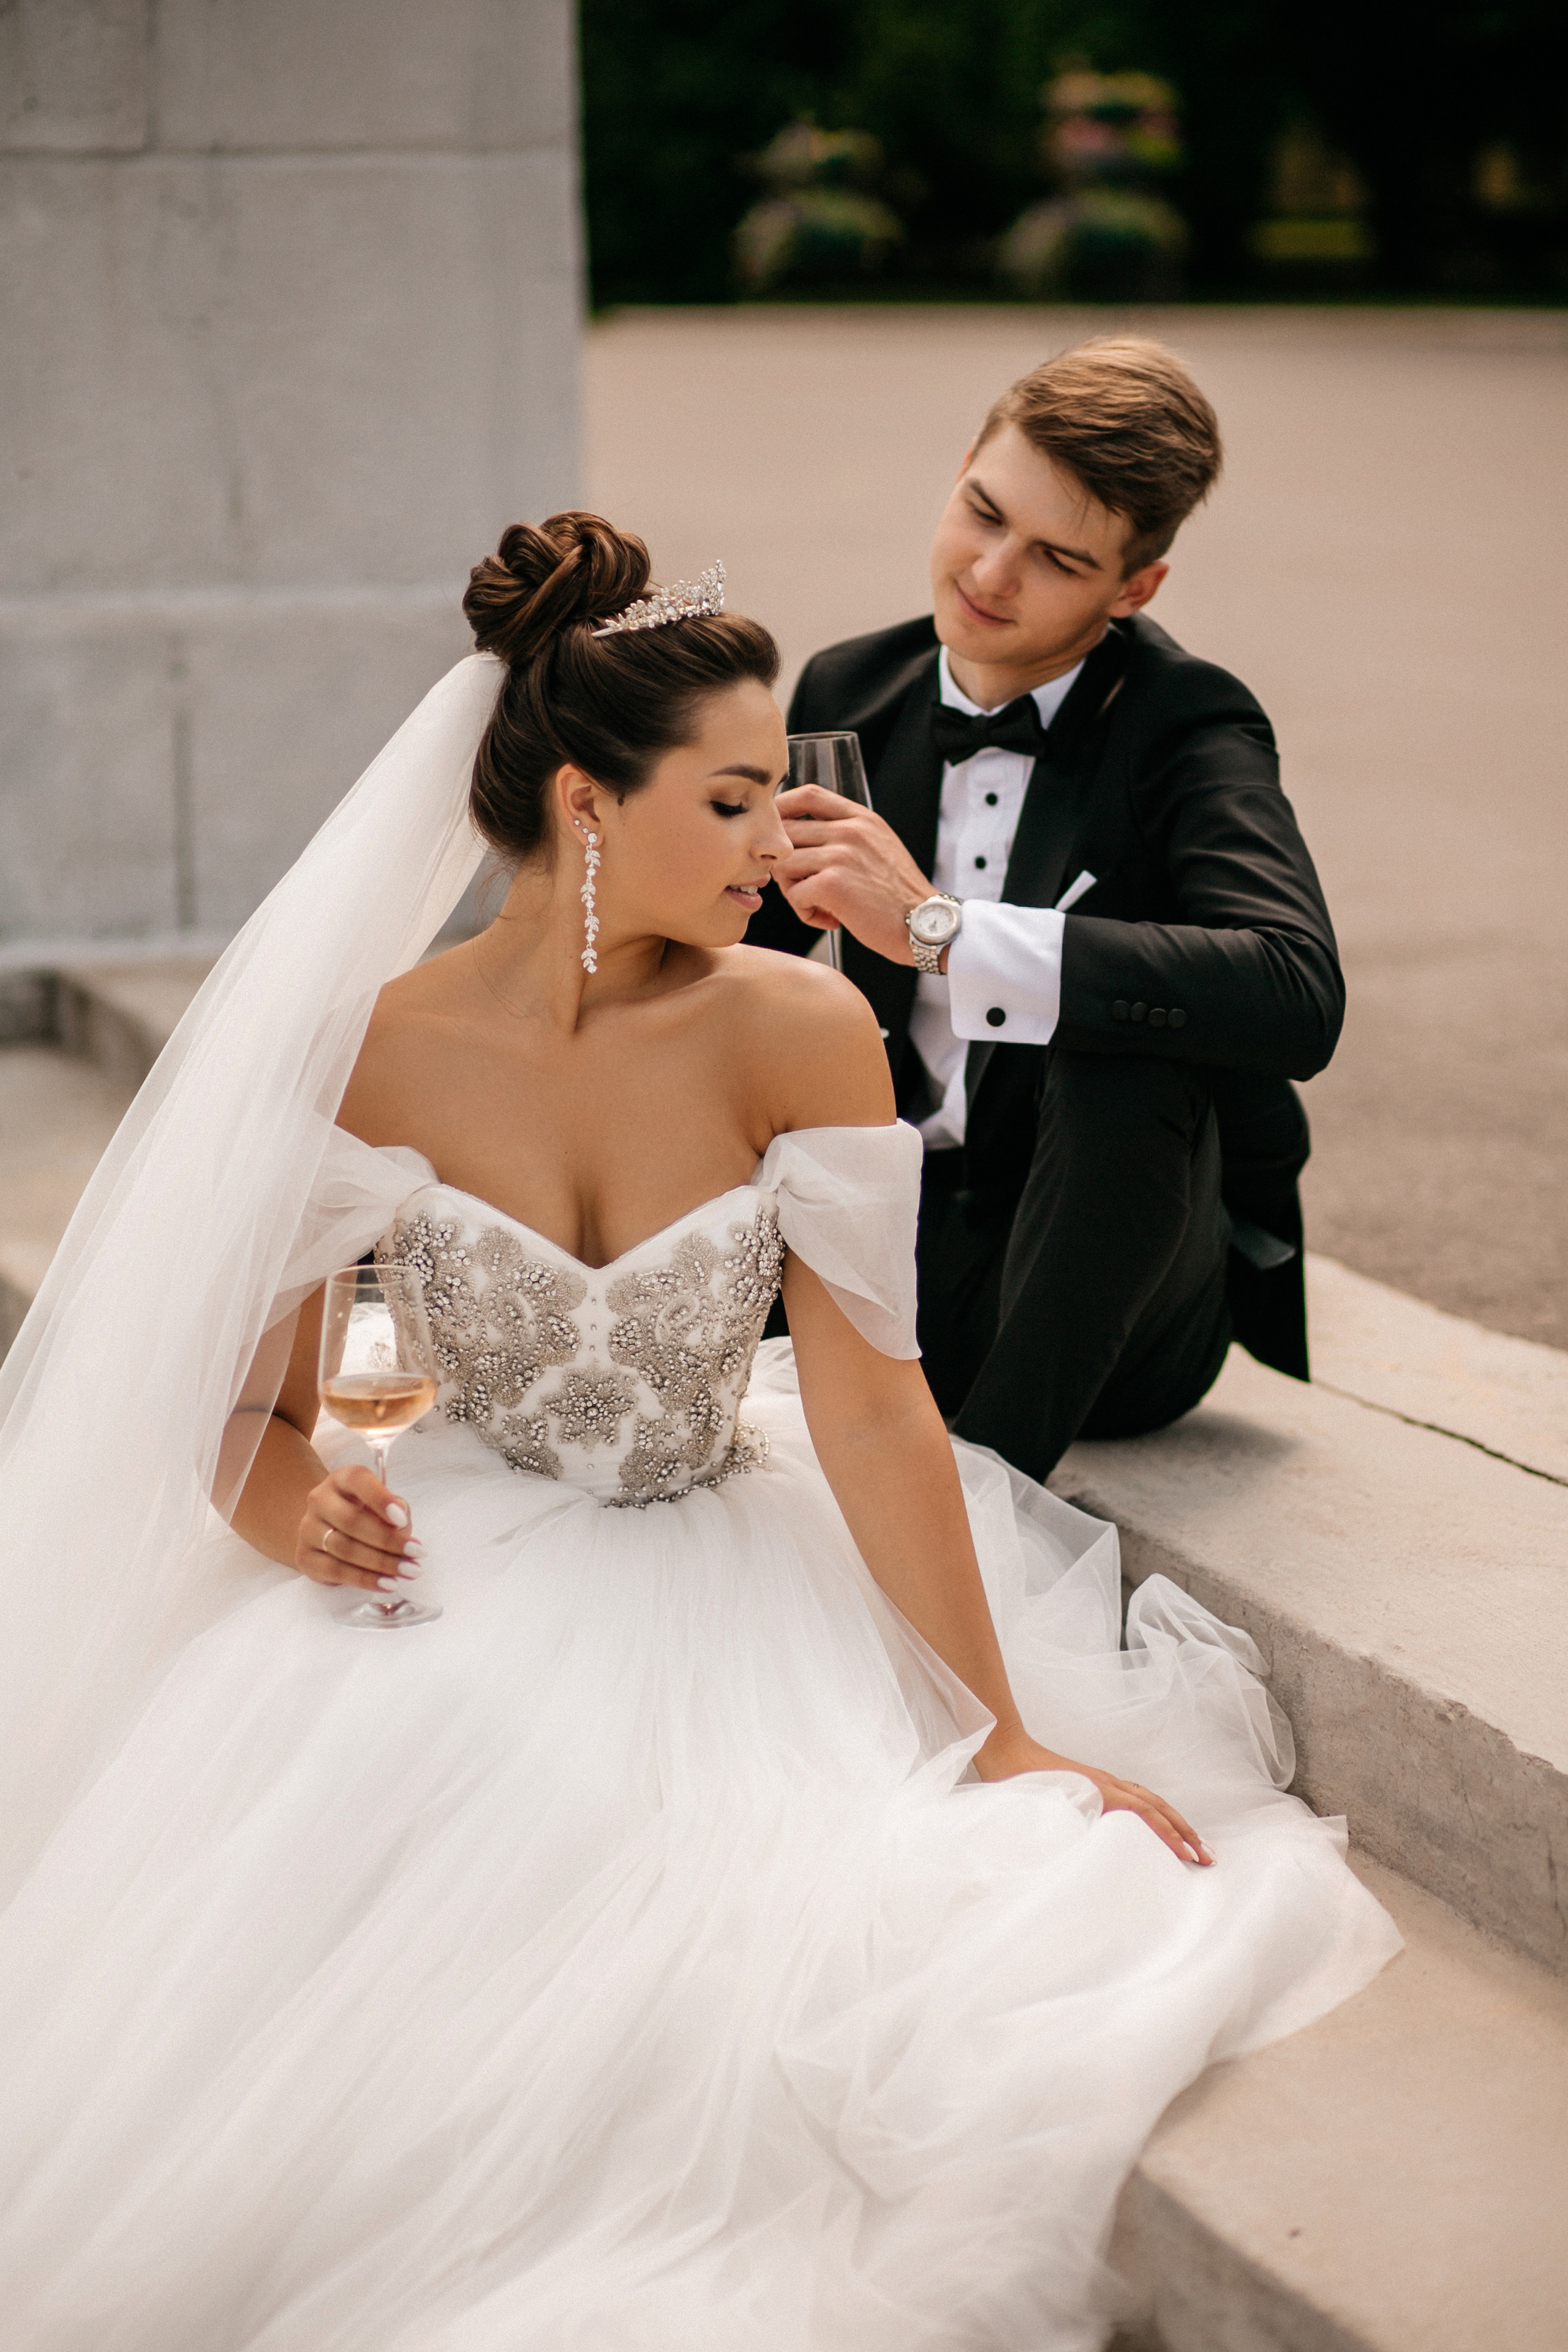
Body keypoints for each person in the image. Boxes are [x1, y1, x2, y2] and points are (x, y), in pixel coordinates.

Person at [0, 515, 1396, 2351]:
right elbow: (253, 1416)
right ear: (585, 804)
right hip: (450, 1558)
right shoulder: (373, 1048)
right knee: (410, 1824)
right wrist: (297, 1514)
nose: (781, 842)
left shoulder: (800, 1025)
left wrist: (998, 1729)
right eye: (734, 802)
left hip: (733, 1565)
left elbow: (873, 1404)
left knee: (712, 1896)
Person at [751, 337, 1340, 1482]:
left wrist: (941, 932)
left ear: (1134, 590)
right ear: (963, 469)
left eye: (1058, 560)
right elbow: (743, 956)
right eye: (983, 513)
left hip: (1111, 1298)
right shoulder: (847, 688)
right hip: (893, 1247)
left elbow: (1296, 993)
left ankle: (991, 1512)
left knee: (1121, 1044)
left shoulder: (1187, 722)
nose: (991, 574)